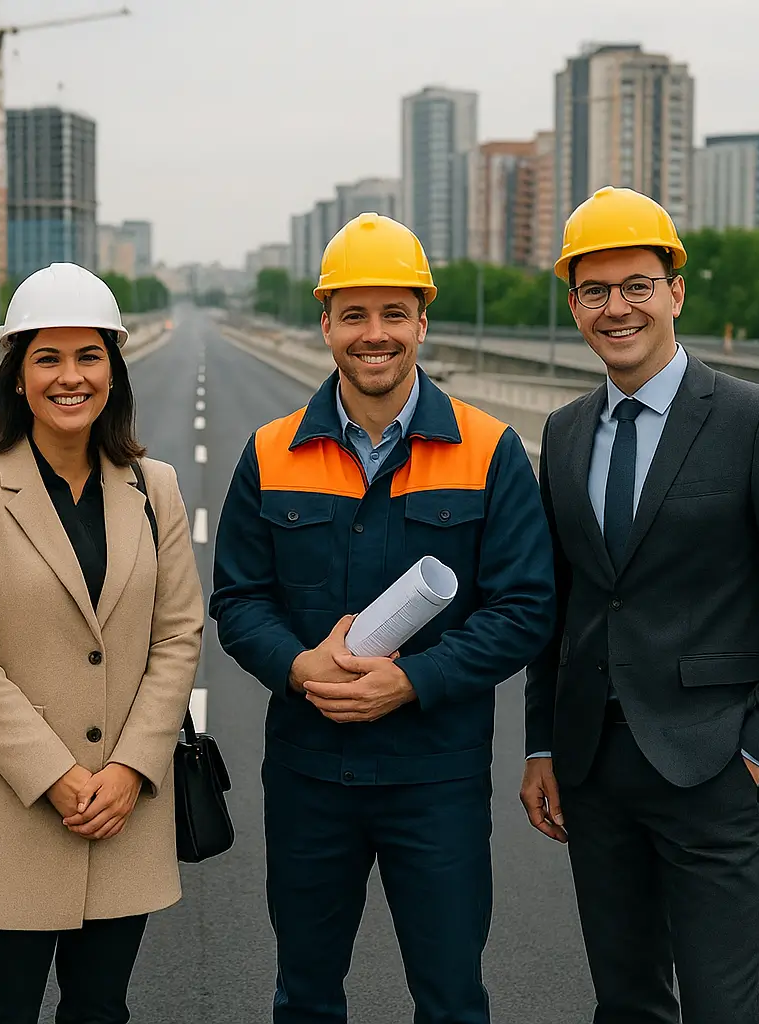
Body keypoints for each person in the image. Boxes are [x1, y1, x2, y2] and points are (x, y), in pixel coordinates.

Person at [521, 185, 759, 1024]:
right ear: (574, 305)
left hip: (712, 767)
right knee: (627, 1003)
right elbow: (557, 608)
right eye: (595, 291)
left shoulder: (758, 421)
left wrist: (758, 751)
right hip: (593, 771)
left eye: (637, 284)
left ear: (676, 291)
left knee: (721, 1006)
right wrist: (540, 746)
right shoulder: (564, 433)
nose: (617, 307)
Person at [209, 213, 557, 1024]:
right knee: (306, 997)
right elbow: (238, 599)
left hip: (436, 781)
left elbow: (526, 607)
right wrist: (297, 667)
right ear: (325, 322)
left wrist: (413, 681)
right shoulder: (269, 454)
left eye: (394, 313)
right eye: (355, 314)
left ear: (422, 322)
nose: (376, 335)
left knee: (451, 1001)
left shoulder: (488, 449)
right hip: (308, 777)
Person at [0, 262, 204, 1024]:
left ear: (115, 368)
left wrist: (129, 770)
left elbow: (178, 635)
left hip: (123, 807)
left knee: (101, 1008)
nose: (69, 377)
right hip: (12, 804)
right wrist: (58, 776)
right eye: (47, 358)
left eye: (88, 356)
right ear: (17, 376)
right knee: (1, 1011)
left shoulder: (157, 487)